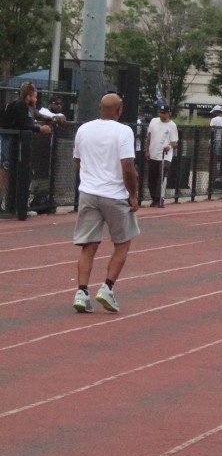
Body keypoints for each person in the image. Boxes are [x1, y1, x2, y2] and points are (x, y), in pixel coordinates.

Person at [72, 93, 140, 314]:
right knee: (122, 242)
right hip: (114, 194)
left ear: (99, 108)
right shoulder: (124, 131)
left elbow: (78, 161)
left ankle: (82, 291)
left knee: (88, 245)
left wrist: (90, 177)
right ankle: (107, 287)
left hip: (88, 193)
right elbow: (127, 166)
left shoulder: (84, 129)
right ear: (119, 110)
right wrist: (133, 194)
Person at [0, 81, 52, 216]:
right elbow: (25, 125)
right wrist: (41, 128)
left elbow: (38, 115)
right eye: (34, 97)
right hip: (9, 142)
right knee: (5, 173)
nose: (36, 99)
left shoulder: (28, 107)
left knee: (21, 172)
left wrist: (53, 119)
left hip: (15, 143)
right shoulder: (20, 105)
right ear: (28, 96)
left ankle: (19, 205)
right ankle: (10, 205)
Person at [144, 105, 178, 207]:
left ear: (168, 114)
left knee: (162, 175)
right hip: (153, 153)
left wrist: (169, 146)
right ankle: (154, 198)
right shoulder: (153, 121)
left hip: (165, 156)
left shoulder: (172, 125)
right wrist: (147, 150)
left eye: (164, 113)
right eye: (160, 112)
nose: (161, 115)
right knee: (152, 178)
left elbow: (173, 141)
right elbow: (149, 136)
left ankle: (161, 198)